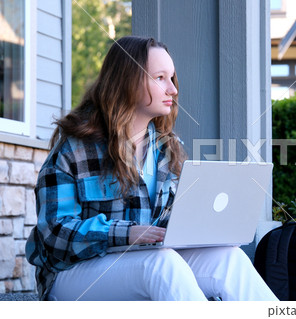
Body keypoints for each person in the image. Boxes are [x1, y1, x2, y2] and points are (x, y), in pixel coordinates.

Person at [25, 36, 278, 301]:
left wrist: (208, 234)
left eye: (172, 78)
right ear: (127, 81)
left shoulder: (167, 149)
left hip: (146, 261)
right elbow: (54, 232)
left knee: (229, 259)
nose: (173, 89)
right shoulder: (75, 148)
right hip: (71, 275)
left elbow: (170, 224)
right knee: (161, 264)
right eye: (160, 78)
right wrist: (126, 233)